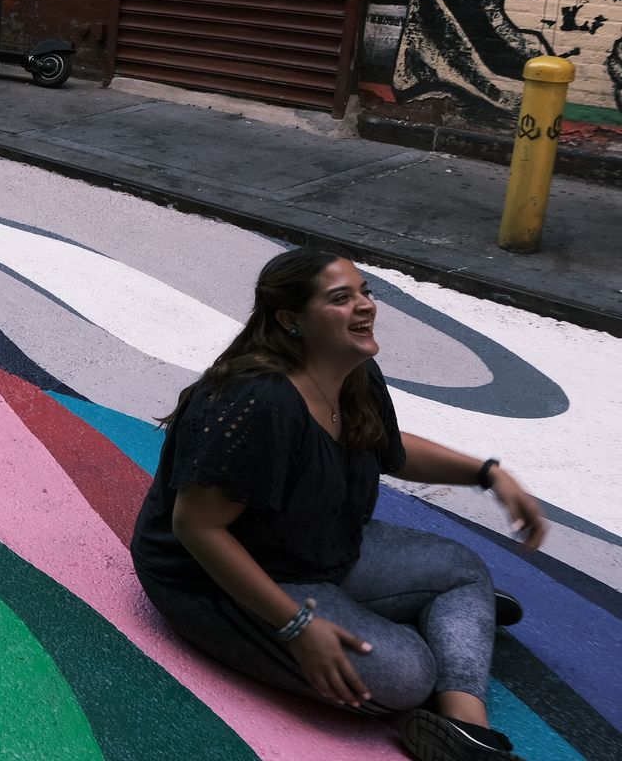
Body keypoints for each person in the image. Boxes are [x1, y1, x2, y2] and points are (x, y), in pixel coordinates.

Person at [130, 248, 548, 761]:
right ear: (291, 320)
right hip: (216, 581)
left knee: (462, 569)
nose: (365, 306)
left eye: (365, 293)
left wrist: (487, 474)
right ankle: (434, 626)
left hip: (317, 548)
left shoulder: (353, 373)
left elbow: (385, 445)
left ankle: (466, 733)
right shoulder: (255, 403)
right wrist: (297, 627)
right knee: (407, 674)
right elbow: (198, 529)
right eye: (341, 298)